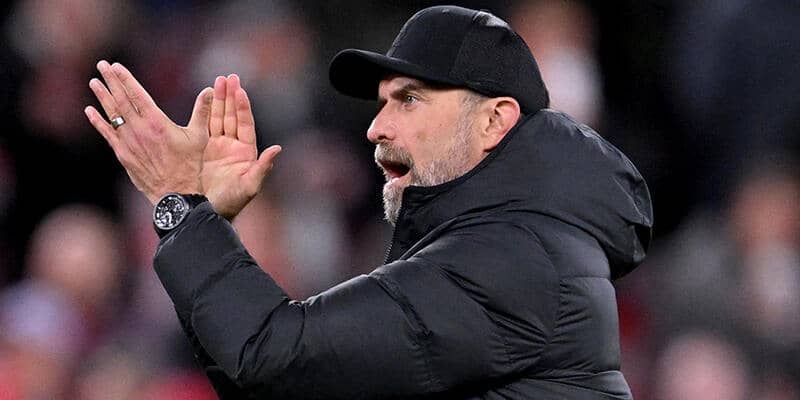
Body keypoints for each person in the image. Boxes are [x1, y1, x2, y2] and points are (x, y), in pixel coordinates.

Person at [84, 5, 652, 399]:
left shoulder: (511, 259)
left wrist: (182, 208)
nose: (376, 127)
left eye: (409, 100)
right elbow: (278, 385)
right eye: (382, 103)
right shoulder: (515, 242)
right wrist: (205, 222)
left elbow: (276, 358)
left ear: (493, 121)